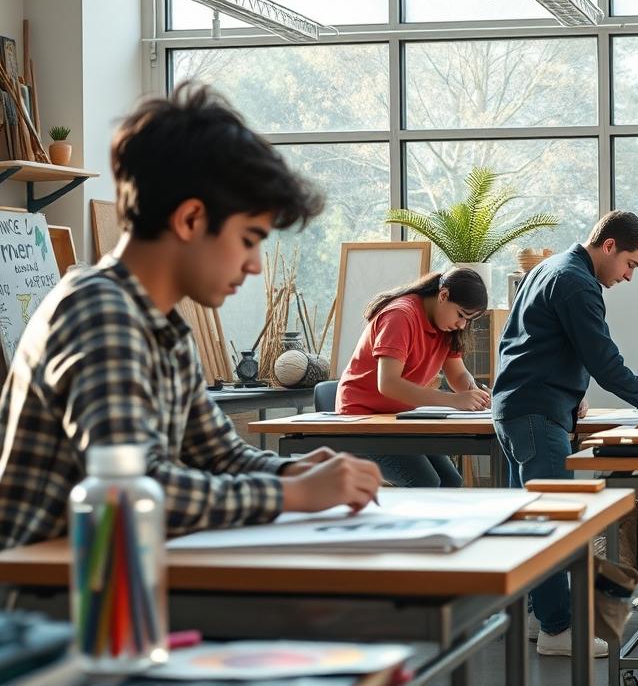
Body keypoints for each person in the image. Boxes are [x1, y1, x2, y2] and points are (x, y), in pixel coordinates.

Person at [0, 83, 383, 549]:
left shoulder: (161, 325)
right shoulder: (100, 313)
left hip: (112, 583)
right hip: (54, 603)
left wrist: (293, 470)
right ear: (190, 220)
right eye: (248, 239)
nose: (255, 264)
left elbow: (217, 454)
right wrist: (294, 492)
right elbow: (132, 491)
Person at [492, 210, 638, 657]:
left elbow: (522, 343)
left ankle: (541, 616)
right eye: (631, 264)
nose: (629, 276)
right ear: (610, 246)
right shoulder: (579, 283)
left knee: (530, 522)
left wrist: (571, 390)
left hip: (519, 409)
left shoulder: (548, 268)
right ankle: (559, 631)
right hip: (538, 415)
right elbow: (601, 356)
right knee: (552, 525)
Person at [336, 268, 492, 488]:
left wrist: (475, 393)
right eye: (461, 315)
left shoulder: (445, 327)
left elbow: (458, 374)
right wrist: (454, 400)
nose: (462, 325)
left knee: (451, 481)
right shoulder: (400, 316)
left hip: (396, 419)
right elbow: (388, 384)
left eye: (468, 320)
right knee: (426, 482)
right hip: (362, 420)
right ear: (443, 295)